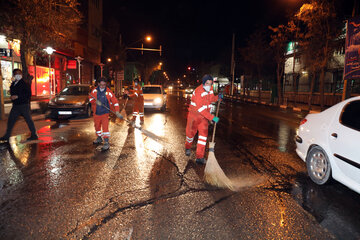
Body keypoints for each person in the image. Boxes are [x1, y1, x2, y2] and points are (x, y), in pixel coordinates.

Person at [185, 74, 223, 164]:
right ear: (203, 83)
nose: (209, 85)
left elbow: (212, 99)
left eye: (210, 83)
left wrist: (218, 97)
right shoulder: (198, 91)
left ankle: (199, 157)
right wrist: (212, 117)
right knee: (190, 134)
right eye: (207, 83)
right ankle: (187, 146)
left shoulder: (210, 89)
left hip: (203, 118)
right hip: (193, 116)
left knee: (203, 137)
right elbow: (200, 108)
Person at [0, 69, 38, 143]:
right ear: (14, 75)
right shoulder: (14, 83)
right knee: (11, 120)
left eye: (19, 73)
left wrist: (17, 96)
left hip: (23, 105)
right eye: (16, 74)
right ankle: (7, 136)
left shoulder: (24, 83)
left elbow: (28, 95)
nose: (18, 75)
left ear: (21, 75)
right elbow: (13, 92)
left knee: (28, 120)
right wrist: (12, 95)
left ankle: (34, 135)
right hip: (16, 106)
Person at [89, 77, 120, 151]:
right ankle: (99, 138)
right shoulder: (94, 91)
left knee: (105, 128)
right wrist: (95, 101)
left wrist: (117, 111)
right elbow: (90, 99)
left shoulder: (109, 92)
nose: (103, 86)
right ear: (98, 84)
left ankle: (106, 142)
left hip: (105, 113)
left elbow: (115, 101)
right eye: (101, 85)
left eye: (104, 85)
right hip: (96, 113)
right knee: (97, 127)